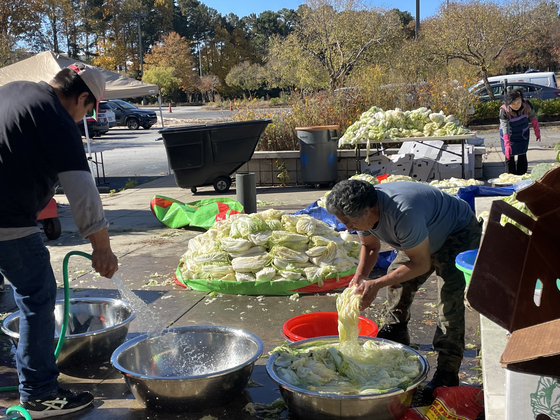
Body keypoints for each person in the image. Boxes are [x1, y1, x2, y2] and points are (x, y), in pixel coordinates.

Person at [0, 63, 119, 418]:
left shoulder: (13, 90)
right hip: (7, 219)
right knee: (37, 297)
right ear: (82, 97)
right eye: (87, 109)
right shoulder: (55, 116)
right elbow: (82, 191)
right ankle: (39, 393)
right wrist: (101, 247)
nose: (83, 116)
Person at [325, 179, 481, 402]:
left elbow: (421, 264)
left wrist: (376, 284)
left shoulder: (403, 213)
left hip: (457, 232)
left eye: (349, 222)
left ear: (369, 210)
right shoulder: (363, 212)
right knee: (397, 279)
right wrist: (359, 279)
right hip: (422, 235)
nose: (347, 227)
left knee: (449, 303)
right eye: (343, 222)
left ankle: (447, 371)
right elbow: (369, 247)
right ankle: (395, 332)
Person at [499, 88, 541, 175]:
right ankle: (510, 179)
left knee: (522, 154)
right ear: (508, 104)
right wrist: (507, 144)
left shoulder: (526, 105)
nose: (517, 105)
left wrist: (537, 131)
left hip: (522, 134)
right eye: (513, 104)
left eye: (518, 102)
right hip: (508, 135)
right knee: (509, 156)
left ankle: (522, 177)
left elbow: (533, 117)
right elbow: (505, 127)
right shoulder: (504, 110)